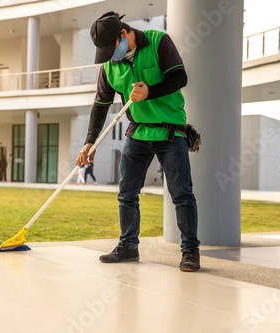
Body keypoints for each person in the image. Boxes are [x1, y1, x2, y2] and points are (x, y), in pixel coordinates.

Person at [76, 12, 200, 271]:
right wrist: (90, 142)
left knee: (182, 195)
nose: (111, 56)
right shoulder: (110, 66)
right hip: (137, 132)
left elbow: (180, 77)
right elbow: (100, 106)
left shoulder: (158, 42)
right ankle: (128, 246)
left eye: (113, 49)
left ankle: (190, 251)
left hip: (170, 131)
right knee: (126, 194)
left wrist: (150, 92)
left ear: (124, 34)